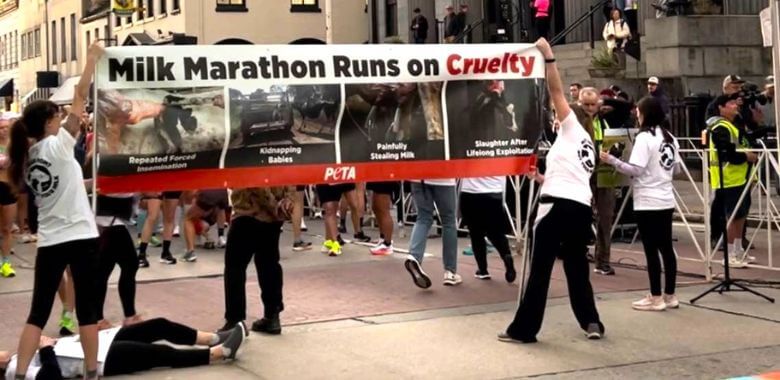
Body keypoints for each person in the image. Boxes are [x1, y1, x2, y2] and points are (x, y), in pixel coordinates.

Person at [6, 43, 103, 380]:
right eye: (57, 116)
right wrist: (90, 61)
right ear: (49, 123)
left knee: (37, 312)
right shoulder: (60, 143)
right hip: (81, 236)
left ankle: (19, 374)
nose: (63, 118)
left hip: (50, 240)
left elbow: (62, 186)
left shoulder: (26, 158)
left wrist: (91, 185)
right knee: (88, 312)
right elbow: (79, 95)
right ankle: (92, 373)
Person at [499, 38, 604, 343]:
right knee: (576, 267)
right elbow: (572, 178)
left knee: (540, 268)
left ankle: (524, 329)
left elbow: (555, 91)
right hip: (579, 208)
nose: (556, 119)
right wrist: (541, 178)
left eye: (559, 116)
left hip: (556, 208)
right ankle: (591, 321)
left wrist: (548, 57)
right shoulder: (586, 145)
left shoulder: (572, 128)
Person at [600, 97, 681, 311]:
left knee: (651, 249)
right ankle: (670, 294)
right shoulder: (670, 137)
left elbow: (635, 169)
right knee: (666, 248)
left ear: (644, 113)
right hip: (665, 197)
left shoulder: (644, 137)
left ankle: (655, 296)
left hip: (647, 199)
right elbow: (677, 168)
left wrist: (613, 161)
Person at [0, 318, 245, 379]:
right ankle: (218, 353)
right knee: (157, 354)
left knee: (157, 325)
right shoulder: (14, 372)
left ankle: (211, 338)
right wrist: (45, 349)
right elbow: (50, 377)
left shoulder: (15, 357)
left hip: (92, 344)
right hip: (98, 359)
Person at [219, 185, 295, 335]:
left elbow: (257, 183)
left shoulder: (245, 160)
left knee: (235, 268)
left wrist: (274, 206)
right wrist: (286, 203)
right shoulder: (279, 160)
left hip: (248, 212)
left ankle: (235, 319)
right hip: (272, 219)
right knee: (269, 266)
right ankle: (272, 315)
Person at [708, 94, 758, 268]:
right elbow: (727, 153)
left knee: (741, 216)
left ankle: (738, 251)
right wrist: (746, 156)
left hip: (740, 177)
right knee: (733, 217)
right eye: (730, 103)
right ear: (721, 107)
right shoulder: (720, 127)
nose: (735, 106)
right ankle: (729, 255)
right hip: (728, 179)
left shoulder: (733, 126)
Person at [580, 88, 616, 275]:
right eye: (585, 104)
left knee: (606, 215)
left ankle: (603, 260)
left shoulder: (604, 118)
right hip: (581, 173)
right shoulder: (574, 119)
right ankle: (578, 254)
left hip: (602, 170)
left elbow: (626, 106)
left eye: (592, 104)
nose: (589, 108)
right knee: (579, 217)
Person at [403, 178, 461, 288]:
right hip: (444, 178)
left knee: (423, 218)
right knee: (448, 221)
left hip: (418, 178)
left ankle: (414, 255)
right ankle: (450, 271)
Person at [459, 176, 516, 282]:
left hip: (471, 191)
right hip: (494, 191)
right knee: (496, 232)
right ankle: (506, 255)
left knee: (476, 233)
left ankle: (483, 269)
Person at [181, 189, 229, 262]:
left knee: (188, 219)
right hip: (222, 190)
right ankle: (221, 237)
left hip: (208, 191)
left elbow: (191, 196)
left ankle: (190, 252)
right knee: (220, 209)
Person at [0, 113, 18, 278]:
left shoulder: (13, 146)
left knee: (6, 228)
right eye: (1, 128)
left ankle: (5, 263)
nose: (4, 131)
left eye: (6, 128)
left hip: (8, 188)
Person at [367, 182, 399, 256]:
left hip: (385, 177)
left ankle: (387, 244)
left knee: (383, 209)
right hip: (377, 176)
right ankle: (383, 238)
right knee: (375, 207)